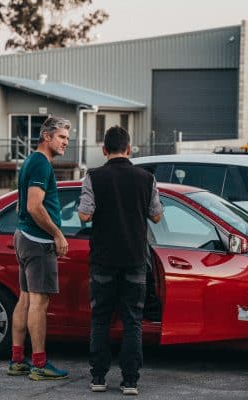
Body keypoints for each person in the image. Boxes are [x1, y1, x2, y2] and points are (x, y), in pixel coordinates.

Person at [78, 126, 162, 395]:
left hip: (103, 259)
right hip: (135, 259)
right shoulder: (146, 179)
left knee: (100, 319)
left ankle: (99, 378)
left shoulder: (94, 176)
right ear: (129, 149)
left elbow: (84, 215)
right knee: (132, 321)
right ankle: (130, 381)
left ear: (104, 150)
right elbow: (157, 216)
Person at [7, 116, 71, 381]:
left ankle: (17, 360)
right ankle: (40, 364)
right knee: (38, 303)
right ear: (47, 137)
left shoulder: (30, 162)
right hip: (39, 242)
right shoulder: (42, 164)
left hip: (24, 237)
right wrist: (58, 234)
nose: (66, 143)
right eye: (62, 137)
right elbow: (34, 206)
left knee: (25, 299)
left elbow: (21, 205)